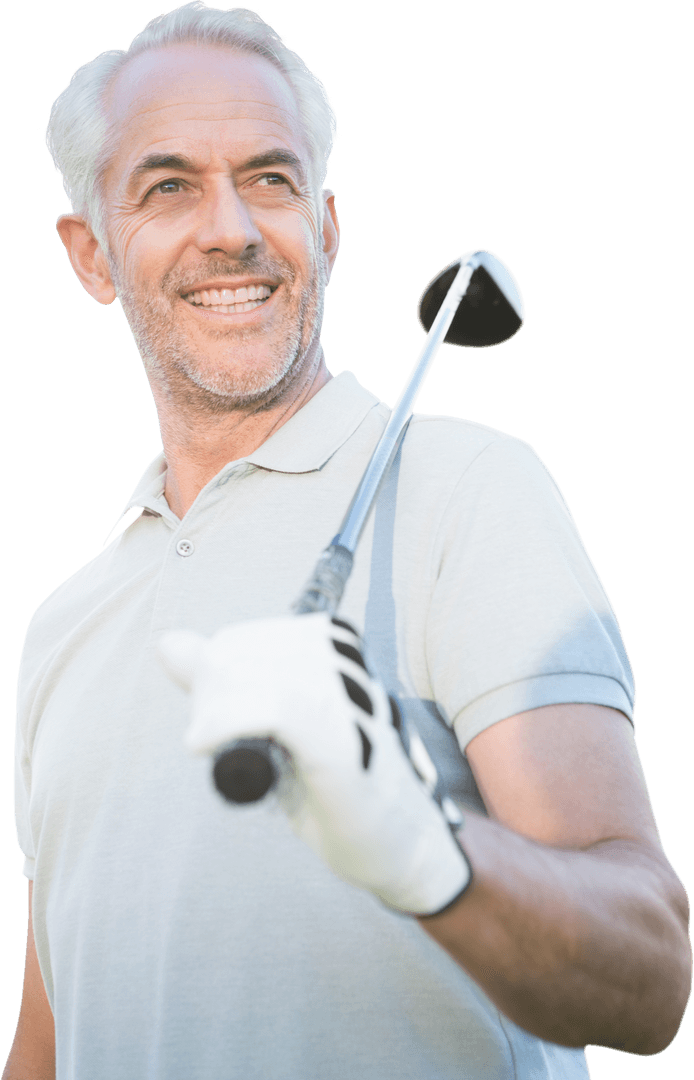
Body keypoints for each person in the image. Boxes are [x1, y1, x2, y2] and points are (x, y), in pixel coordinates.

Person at [5, 4, 691, 1079]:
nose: (230, 226)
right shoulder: (59, 626)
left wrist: (429, 850)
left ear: (324, 230)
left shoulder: (468, 488)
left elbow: (650, 975)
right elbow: (53, 1039)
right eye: (169, 185)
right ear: (91, 254)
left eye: (270, 180)